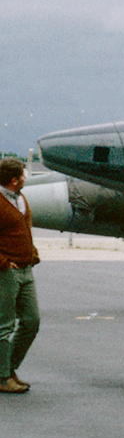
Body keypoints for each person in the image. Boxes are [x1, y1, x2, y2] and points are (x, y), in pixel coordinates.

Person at [0, 158, 39, 393]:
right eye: (23, 175)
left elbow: (24, 227)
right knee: (4, 325)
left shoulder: (19, 198)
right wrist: (4, 263)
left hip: (25, 269)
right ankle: (3, 378)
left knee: (32, 321)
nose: (26, 178)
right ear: (14, 180)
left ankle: (8, 367)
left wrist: (32, 254)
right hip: (7, 271)